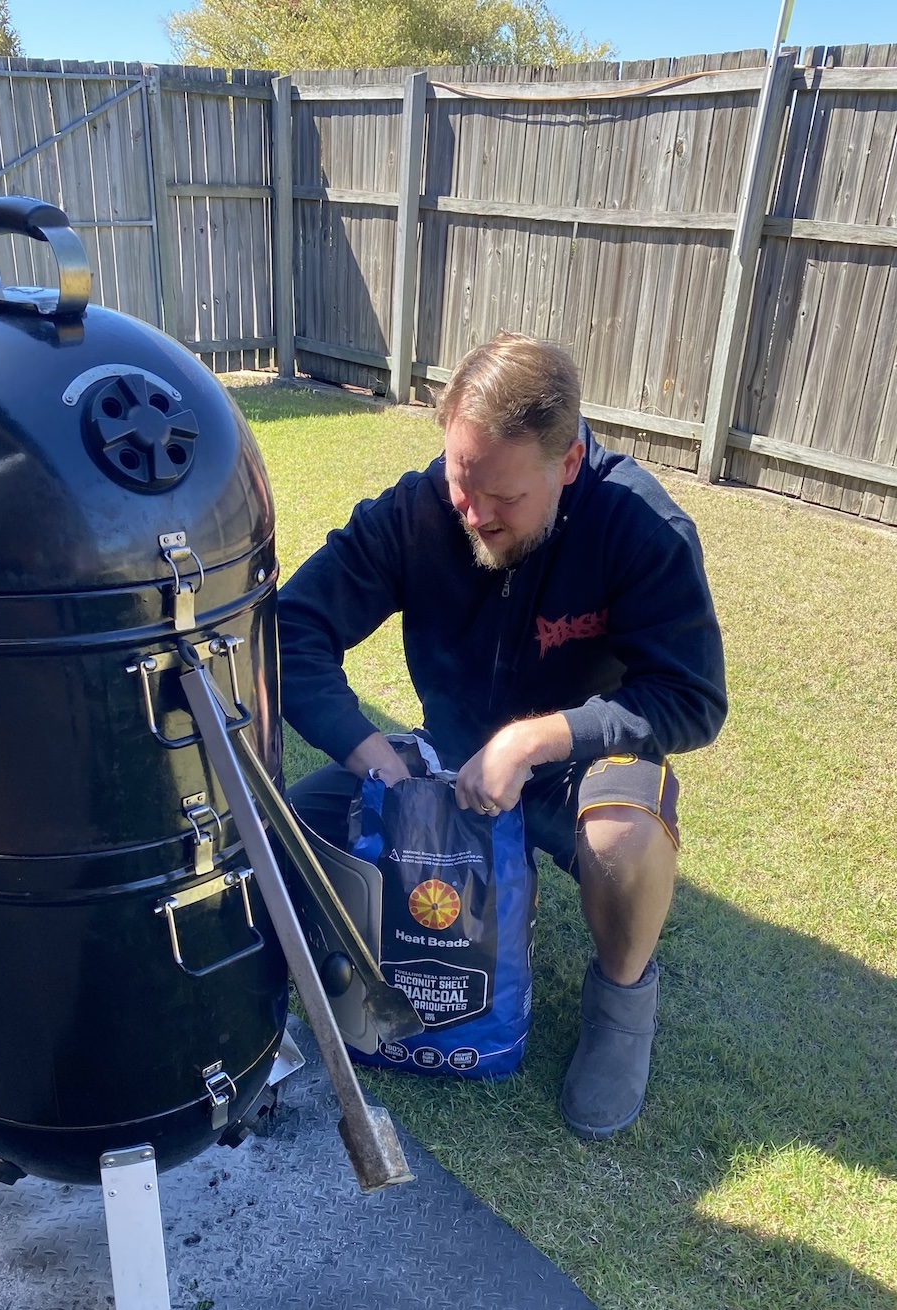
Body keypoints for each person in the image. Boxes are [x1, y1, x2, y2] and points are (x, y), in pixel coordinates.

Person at [278, 333, 727, 1138]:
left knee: (625, 839)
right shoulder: (417, 512)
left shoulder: (639, 527)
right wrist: (370, 752)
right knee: (291, 823)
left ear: (568, 462)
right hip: (443, 761)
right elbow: (293, 630)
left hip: (573, 767)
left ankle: (623, 1002)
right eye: (463, 481)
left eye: (504, 499)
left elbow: (691, 698)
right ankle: (360, 950)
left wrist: (537, 739)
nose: (477, 514)